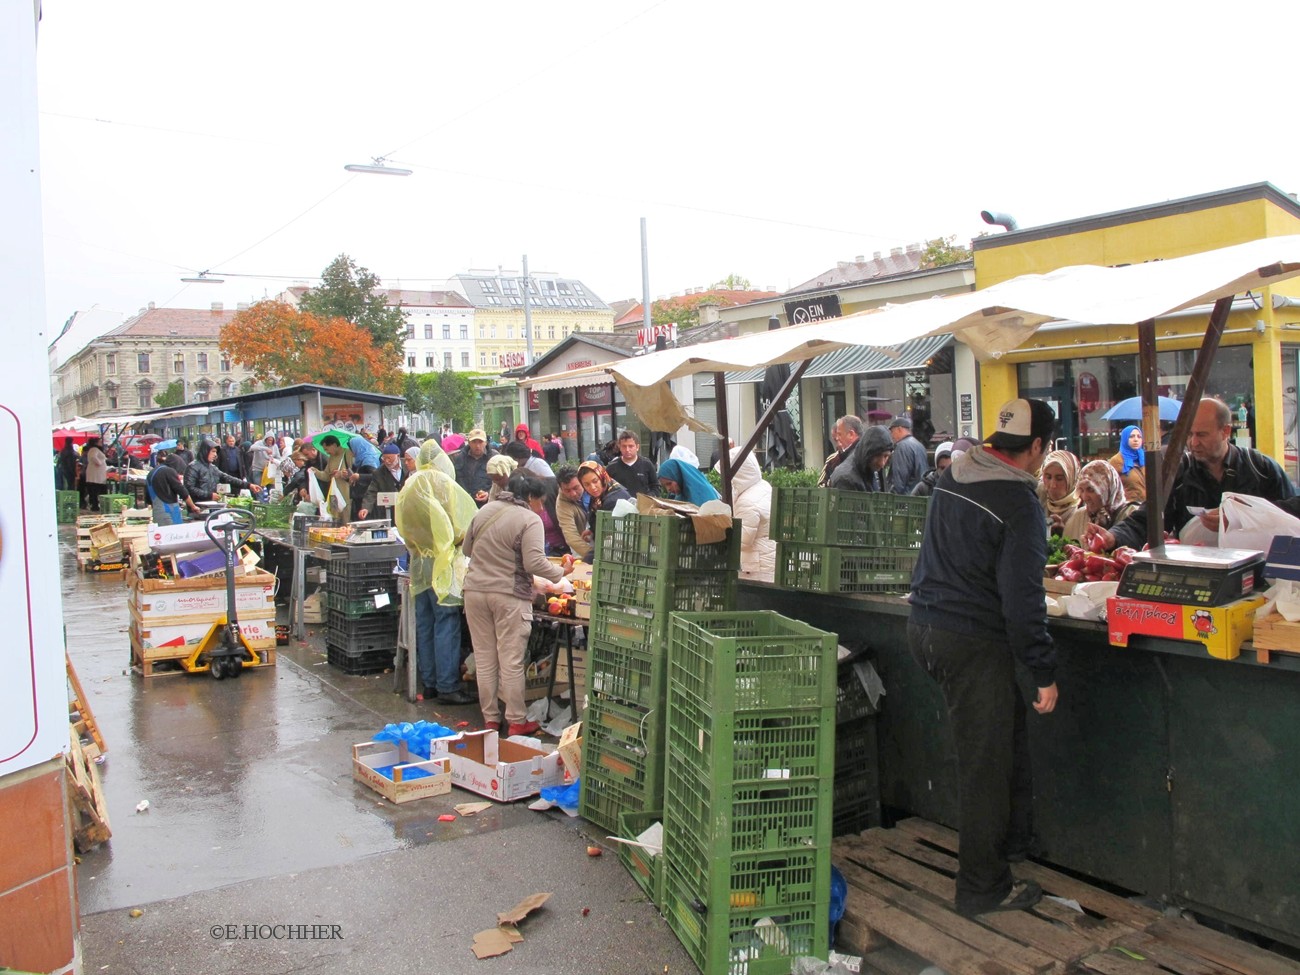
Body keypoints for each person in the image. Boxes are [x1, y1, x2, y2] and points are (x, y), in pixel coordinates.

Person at [908, 397, 1060, 917]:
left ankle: (1011, 846)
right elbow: (1023, 603)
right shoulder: (1019, 504)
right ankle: (982, 887)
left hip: (925, 627)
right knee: (986, 766)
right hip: (970, 640)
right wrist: (1042, 669)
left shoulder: (955, 475)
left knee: (1001, 740)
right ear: (1037, 447)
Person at [1090, 397, 1296, 551]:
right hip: (1198, 576)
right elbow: (1148, 519)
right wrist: (1113, 537)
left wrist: (1241, 516)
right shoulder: (1178, 474)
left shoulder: (1261, 468)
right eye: (1190, 434)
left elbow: (1291, 515)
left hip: (1259, 577)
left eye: (1202, 435)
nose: (1194, 442)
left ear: (1225, 432)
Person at [462, 472, 572, 736]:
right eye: (540, 502)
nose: (541, 508)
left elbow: (467, 550)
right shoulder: (529, 519)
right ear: (531, 497)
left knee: (486, 659)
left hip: (475, 591)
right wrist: (561, 573)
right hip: (508, 595)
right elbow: (534, 562)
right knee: (510, 661)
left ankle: (490, 720)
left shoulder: (485, 511)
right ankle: (516, 721)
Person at [395, 441, 479, 705]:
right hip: (442, 563)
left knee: (425, 621)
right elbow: (461, 526)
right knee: (446, 622)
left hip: (419, 561)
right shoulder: (442, 484)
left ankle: (429, 682)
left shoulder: (410, 485)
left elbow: (403, 526)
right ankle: (447, 685)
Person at [716, 446, 775, 582]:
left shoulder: (747, 501)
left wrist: (721, 530)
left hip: (757, 565)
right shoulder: (763, 486)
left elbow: (743, 540)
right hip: (769, 558)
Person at [1039, 449, 1089, 542]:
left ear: (1071, 479)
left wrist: (1066, 532)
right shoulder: (1038, 496)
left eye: (1059, 479)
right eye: (1048, 477)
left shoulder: (1085, 502)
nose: (1052, 485)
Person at [1076, 459, 1138, 533]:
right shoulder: (1078, 518)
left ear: (1107, 488)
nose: (1085, 497)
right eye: (1082, 490)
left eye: (1091, 490)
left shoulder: (1133, 515)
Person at [578, 461, 633, 540]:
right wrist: (591, 530)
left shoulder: (612, 500)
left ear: (602, 477)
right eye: (587, 484)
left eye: (595, 481)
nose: (592, 487)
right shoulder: (600, 495)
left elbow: (606, 534)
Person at [184, 438, 251, 503]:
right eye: (213, 451)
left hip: (212, 504)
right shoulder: (193, 467)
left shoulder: (212, 468)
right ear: (205, 451)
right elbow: (189, 488)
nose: (215, 455)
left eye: (216, 452)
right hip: (197, 507)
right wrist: (209, 495)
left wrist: (248, 485)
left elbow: (227, 478)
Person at [829, 425, 892, 492]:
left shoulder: (871, 467)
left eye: (886, 456)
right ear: (868, 453)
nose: (882, 463)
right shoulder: (846, 478)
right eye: (877, 456)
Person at [357, 443, 408, 521]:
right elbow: (371, 492)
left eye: (389, 458)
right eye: (384, 458)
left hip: (407, 508)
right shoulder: (379, 472)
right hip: (390, 511)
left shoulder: (408, 465)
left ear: (398, 456)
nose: (387, 461)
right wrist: (365, 508)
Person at [602, 429, 658, 498]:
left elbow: (656, 487)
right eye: (624, 446)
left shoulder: (647, 464)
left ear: (637, 447)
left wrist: (648, 498)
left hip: (642, 506)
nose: (627, 450)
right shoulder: (611, 467)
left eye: (631, 446)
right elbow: (605, 489)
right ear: (619, 447)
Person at [148, 453, 201, 525]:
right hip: (168, 514)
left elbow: (148, 498)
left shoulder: (151, 472)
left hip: (157, 513)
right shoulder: (169, 471)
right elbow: (182, 491)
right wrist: (193, 506)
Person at [318, 435, 358, 523]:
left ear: (334, 445)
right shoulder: (331, 458)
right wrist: (315, 472)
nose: (326, 452)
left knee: (345, 520)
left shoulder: (348, 453)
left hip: (345, 493)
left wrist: (341, 474)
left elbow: (355, 473)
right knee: (335, 519)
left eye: (327, 449)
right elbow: (326, 476)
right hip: (333, 494)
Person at [555, 466, 592, 560]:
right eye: (567, 490)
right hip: (581, 542)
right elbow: (571, 536)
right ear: (561, 488)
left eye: (576, 488)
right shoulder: (562, 503)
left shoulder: (594, 486)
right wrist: (593, 556)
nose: (573, 494)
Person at [452, 429, 496, 504]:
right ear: (469, 442)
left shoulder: (494, 459)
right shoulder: (460, 458)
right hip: (465, 503)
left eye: (480, 442)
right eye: (474, 442)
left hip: (487, 505)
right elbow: (457, 479)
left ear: (485, 442)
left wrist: (489, 494)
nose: (477, 446)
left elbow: (500, 483)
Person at [888, 417, 929, 495]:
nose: (892, 436)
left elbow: (899, 481)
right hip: (920, 496)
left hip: (907, 500)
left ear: (899, 429)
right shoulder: (920, 445)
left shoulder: (901, 447)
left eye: (892, 432)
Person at [819, 416, 863, 487]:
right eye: (835, 439)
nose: (837, 439)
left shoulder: (865, 455)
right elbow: (821, 485)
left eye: (839, 434)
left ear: (851, 434)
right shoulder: (833, 459)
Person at [1109, 424, 1147, 503]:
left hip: (1147, 507)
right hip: (1129, 509)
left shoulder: (1145, 458)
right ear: (1125, 438)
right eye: (1131, 436)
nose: (1136, 439)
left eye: (1139, 436)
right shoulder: (1116, 461)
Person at [82, 437, 109, 512]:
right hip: (95, 475)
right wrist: (99, 462)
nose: (101, 443)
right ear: (96, 443)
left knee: (96, 490)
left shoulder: (95, 449)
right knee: (95, 491)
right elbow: (93, 457)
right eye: (99, 441)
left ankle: (96, 505)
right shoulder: (93, 449)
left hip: (98, 474)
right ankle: (95, 505)